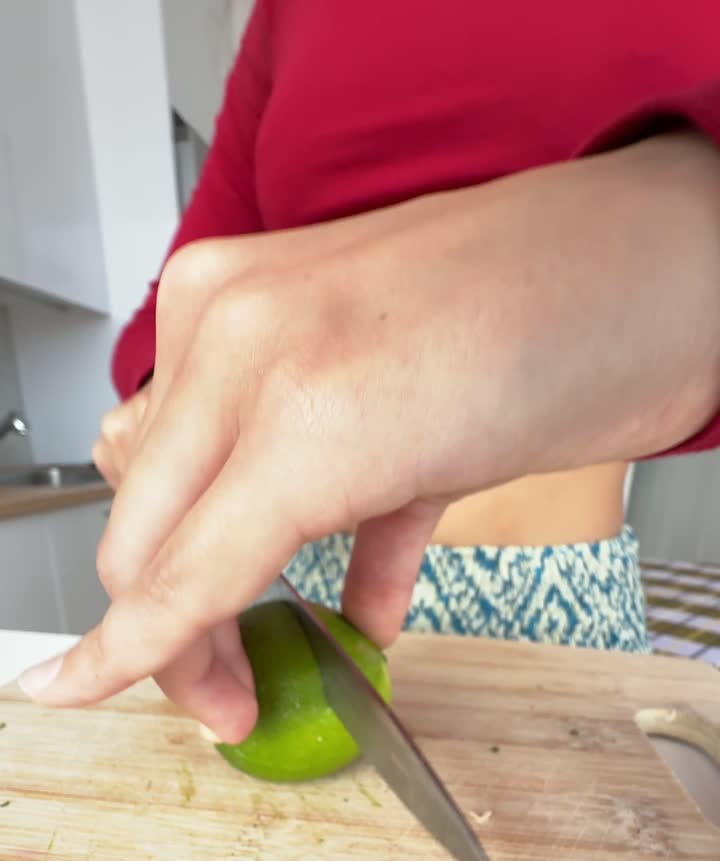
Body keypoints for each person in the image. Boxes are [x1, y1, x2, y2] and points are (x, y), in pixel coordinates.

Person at [18, 0, 720, 746]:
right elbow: (185, 290)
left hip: (561, 592)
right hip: (317, 597)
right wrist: (160, 400)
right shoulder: (285, 13)